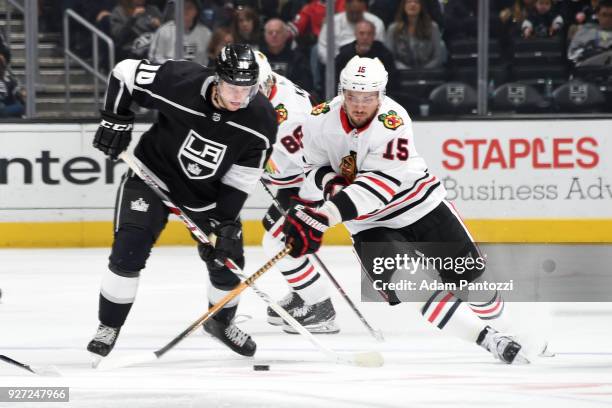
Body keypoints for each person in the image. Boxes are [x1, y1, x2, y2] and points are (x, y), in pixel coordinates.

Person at [280, 56, 534, 364]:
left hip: (420, 207)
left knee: (477, 290)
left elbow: (376, 190)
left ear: (381, 95)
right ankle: (489, 340)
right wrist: (314, 199)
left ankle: (510, 330)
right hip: (368, 225)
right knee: (411, 285)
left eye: (368, 97)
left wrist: (324, 215)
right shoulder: (318, 120)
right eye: (353, 96)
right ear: (342, 92)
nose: (360, 105)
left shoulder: (394, 122)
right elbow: (313, 167)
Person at [87, 44, 278, 361]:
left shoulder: (261, 120)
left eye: (247, 89)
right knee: (128, 250)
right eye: (232, 87)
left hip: (206, 196)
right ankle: (109, 326)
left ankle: (219, 322)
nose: (238, 97)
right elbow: (124, 73)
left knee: (228, 261)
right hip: (152, 175)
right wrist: (114, 119)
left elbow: (240, 178)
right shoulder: (180, 80)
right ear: (217, 78)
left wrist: (224, 223)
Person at [255, 51, 340, 334]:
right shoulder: (265, 84)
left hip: (310, 182)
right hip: (293, 178)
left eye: (254, 88)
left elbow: (314, 164)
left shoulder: (289, 116)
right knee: (273, 228)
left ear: (266, 82)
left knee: (279, 242)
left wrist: (308, 209)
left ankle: (321, 308)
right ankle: (302, 293)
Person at [335, 20, 398, 90]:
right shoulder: (344, 53)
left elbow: (392, 79)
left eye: (369, 34)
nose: (365, 37)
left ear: (374, 35)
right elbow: (337, 79)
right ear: (355, 34)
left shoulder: (384, 53)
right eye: (361, 33)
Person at [149, 0, 212, 65]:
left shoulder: (206, 33)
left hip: (196, 73)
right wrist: (174, 67)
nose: (185, 10)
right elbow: (154, 58)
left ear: (196, 11)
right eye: (182, 7)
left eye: (189, 7)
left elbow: (207, 60)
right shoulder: (164, 30)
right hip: (169, 73)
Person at [386, 0, 446, 69]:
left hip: (429, 74)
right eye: (409, 2)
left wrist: (422, 72)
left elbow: (438, 57)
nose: (413, 4)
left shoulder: (433, 27)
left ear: (421, 6)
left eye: (417, 2)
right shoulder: (393, 29)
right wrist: (406, 70)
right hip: (400, 74)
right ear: (403, 6)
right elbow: (390, 57)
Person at [259, 19, 313, 92]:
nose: (274, 35)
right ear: (265, 35)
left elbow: (305, 85)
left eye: (278, 32)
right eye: (270, 32)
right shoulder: (259, 58)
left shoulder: (298, 58)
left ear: (286, 35)